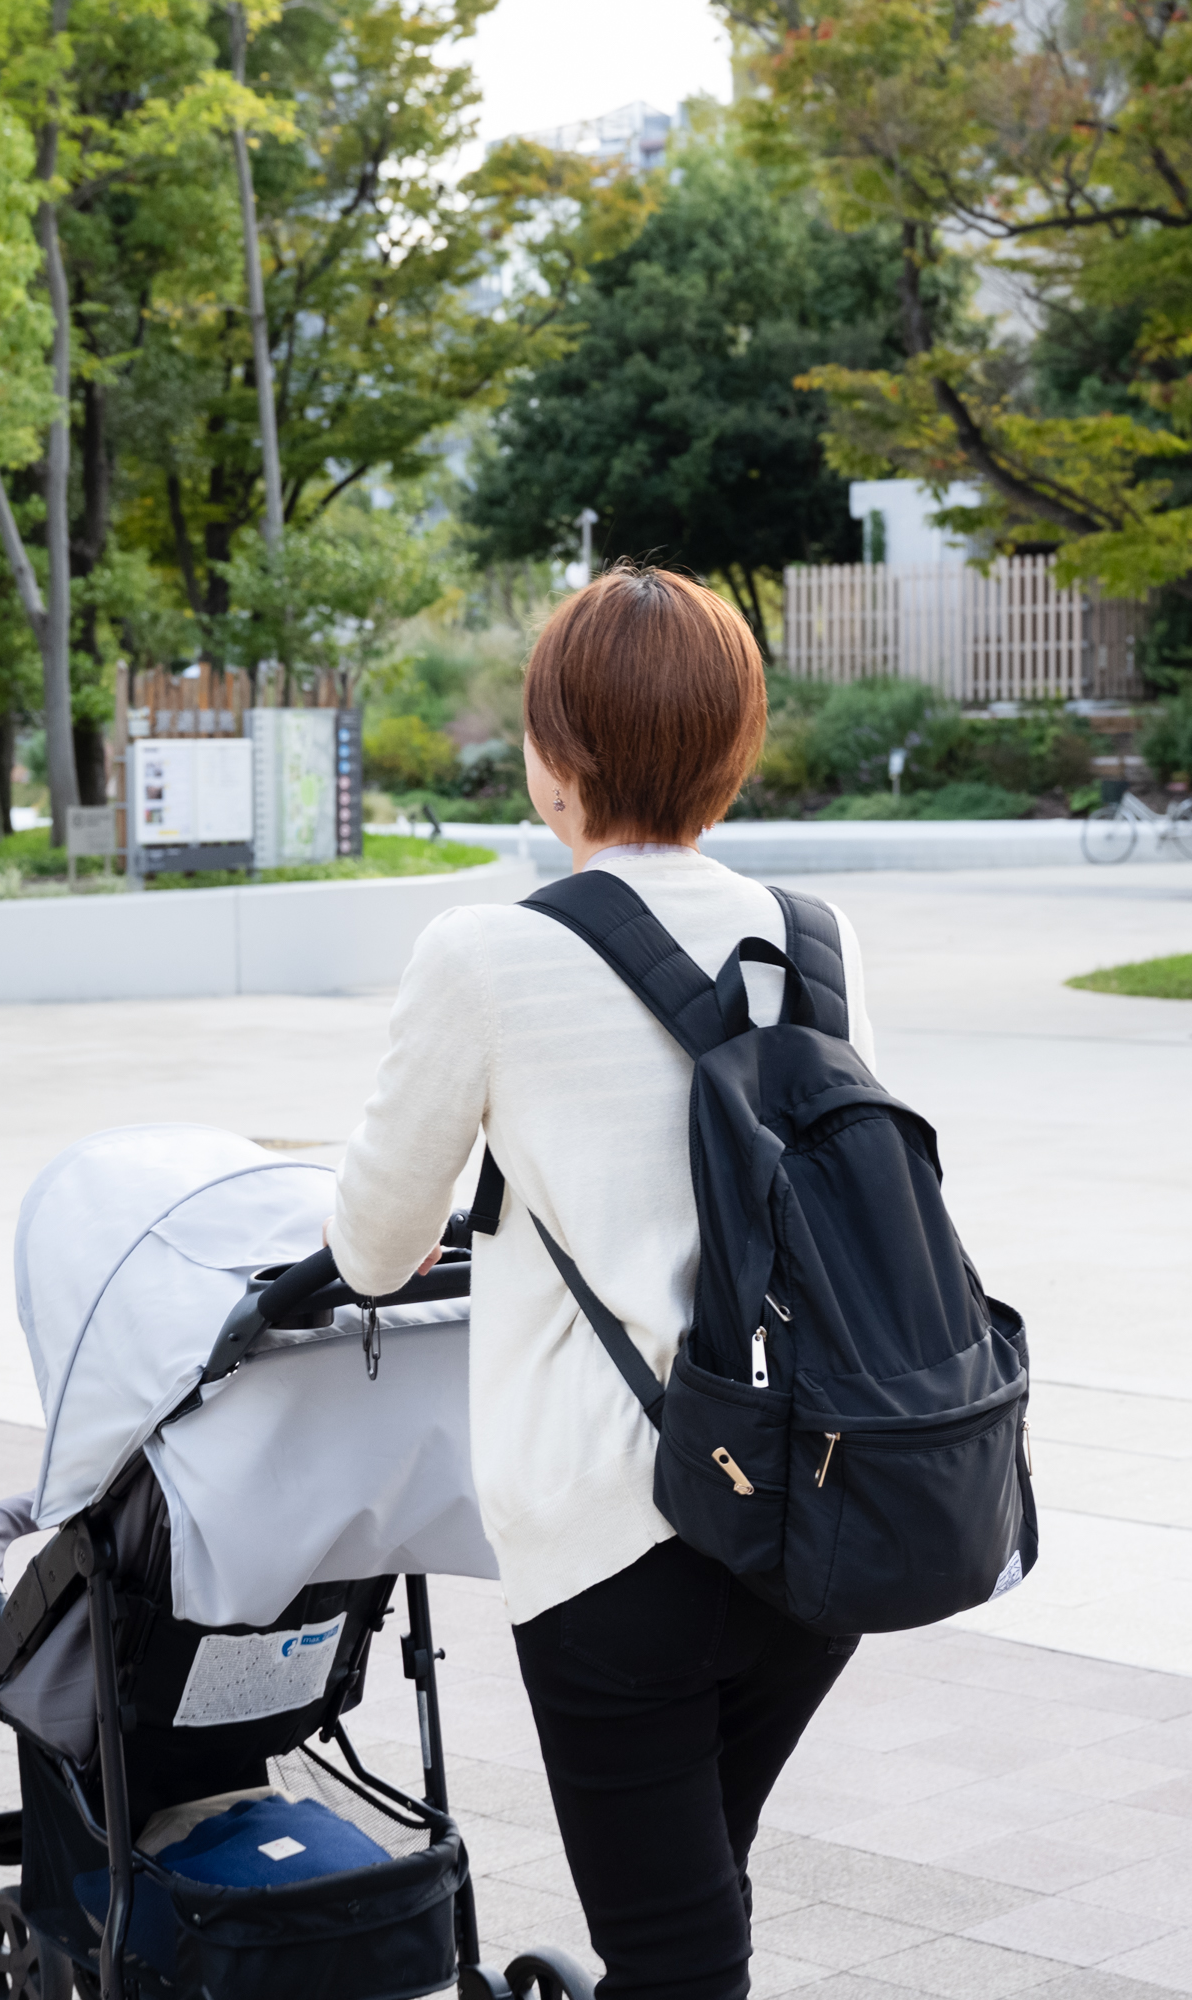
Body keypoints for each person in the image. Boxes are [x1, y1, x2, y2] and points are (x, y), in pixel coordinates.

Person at [327, 565, 874, 2000]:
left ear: (552, 753)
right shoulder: (810, 940)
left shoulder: (486, 954)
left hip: (617, 1537)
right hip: (817, 1524)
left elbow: (375, 1251)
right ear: (736, 749)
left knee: (682, 1949)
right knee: (693, 1901)